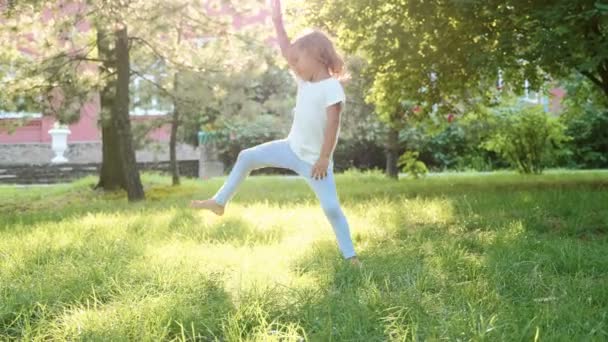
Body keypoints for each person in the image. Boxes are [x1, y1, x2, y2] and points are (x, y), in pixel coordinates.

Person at [191, 0, 360, 266]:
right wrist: (277, 17)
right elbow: (285, 49)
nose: (294, 63)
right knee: (247, 156)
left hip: (316, 162)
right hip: (291, 148)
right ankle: (219, 201)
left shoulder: (332, 88)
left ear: (318, 56)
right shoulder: (304, 82)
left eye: (299, 58)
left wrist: (325, 158)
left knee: (331, 208)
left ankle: (351, 257)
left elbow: (333, 125)